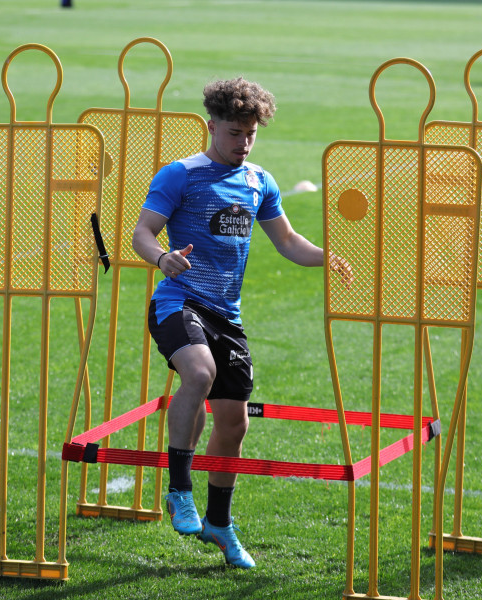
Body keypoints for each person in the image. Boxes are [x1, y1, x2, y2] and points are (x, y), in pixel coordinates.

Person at [131, 77, 353, 568]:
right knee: (199, 372)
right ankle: (179, 490)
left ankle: (219, 523)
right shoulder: (180, 175)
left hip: (227, 317)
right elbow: (142, 232)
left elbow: (289, 242)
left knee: (232, 423)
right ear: (212, 126)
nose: (243, 142)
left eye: (250, 133)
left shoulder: (260, 182)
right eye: (234, 132)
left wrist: (328, 258)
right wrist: (163, 257)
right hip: (178, 302)